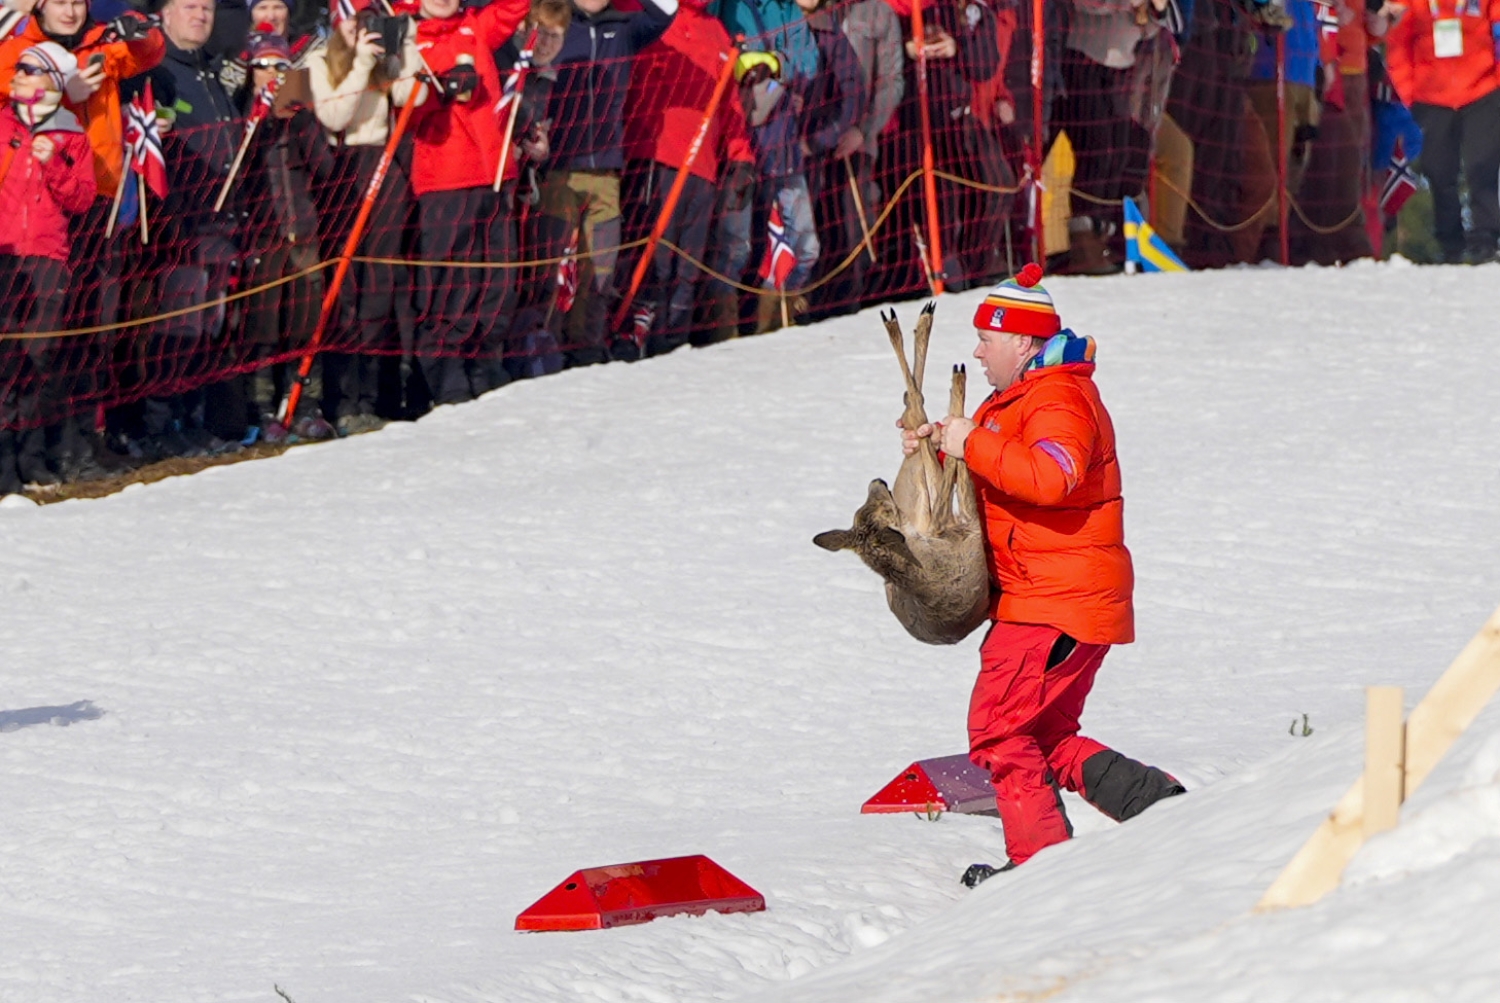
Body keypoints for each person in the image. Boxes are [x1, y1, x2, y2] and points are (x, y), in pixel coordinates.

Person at [902, 263, 1183, 883]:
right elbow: (1004, 478)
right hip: (1055, 598)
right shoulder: (1018, 399)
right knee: (1044, 735)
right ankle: (1155, 805)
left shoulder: (1057, 397)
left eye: (988, 339)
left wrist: (971, 442)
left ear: (1024, 342)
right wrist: (937, 449)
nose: (976, 352)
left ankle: (1040, 874)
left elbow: (1050, 478)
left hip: (1052, 603)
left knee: (1000, 732)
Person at [405, 0, 531, 405]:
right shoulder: (409, 39)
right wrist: (438, 94)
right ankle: (446, 372)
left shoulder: (476, 26)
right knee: (450, 283)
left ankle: (485, 361)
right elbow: (401, 111)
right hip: (445, 175)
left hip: (494, 174)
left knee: (497, 279)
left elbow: (515, 7)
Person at [538, 0, 676, 366]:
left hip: (606, 173)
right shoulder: (556, 23)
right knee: (553, 268)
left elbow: (667, 9)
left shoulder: (626, 28)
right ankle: (545, 348)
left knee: (600, 270)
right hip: (558, 171)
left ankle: (587, 350)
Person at [307, 0, 423, 432]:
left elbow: (415, 95)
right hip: (339, 171)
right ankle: (340, 393)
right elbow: (333, 114)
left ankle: (373, 393)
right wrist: (359, 62)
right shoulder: (319, 60)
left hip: (384, 164)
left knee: (380, 284)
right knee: (344, 288)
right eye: (358, 20)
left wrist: (405, 44)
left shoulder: (385, 59)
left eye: (374, 19)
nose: (366, 28)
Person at [619, 0, 753, 358]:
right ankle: (638, 329)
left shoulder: (718, 31)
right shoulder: (657, 21)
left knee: (689, 261)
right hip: (656, 157)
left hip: (702, 165)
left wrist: (740, 156)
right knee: (656, 257)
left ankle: (674, 336)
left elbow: (730, 102)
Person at [0, 40, 97, 491]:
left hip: (46, 255)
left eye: (29, 69)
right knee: (4, 359)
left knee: (37, 359)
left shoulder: (71, 133)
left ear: (52, 83)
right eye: (18, 67)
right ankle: (3, 462)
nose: (18, 74)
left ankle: (32, 456)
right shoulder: (1, 123)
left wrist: (54, 162)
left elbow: (82, 197)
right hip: (4, 255)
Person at [1386, 0, 1500, 263]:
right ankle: (1450, 242)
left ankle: (1486, 237)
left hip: (1482, 92)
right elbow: (1398, 45)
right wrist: (1407, 94)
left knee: (1482, 166)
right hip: (1430, 98)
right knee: (1438, 171)